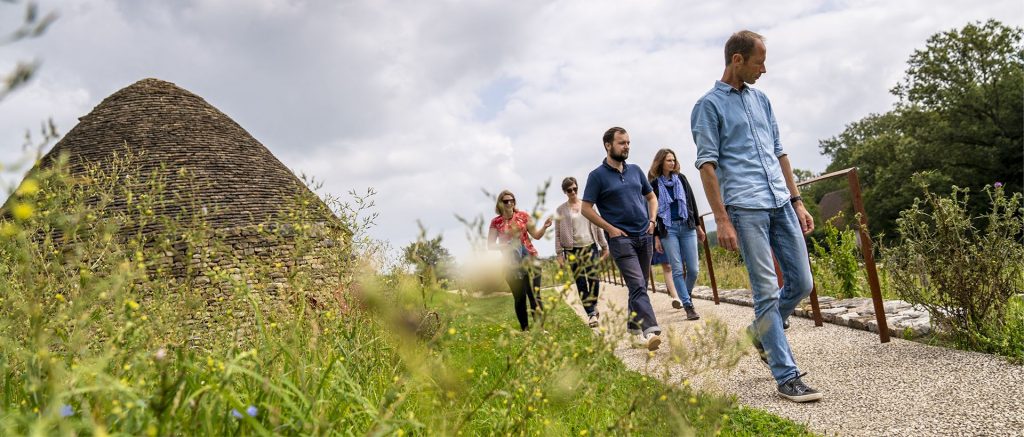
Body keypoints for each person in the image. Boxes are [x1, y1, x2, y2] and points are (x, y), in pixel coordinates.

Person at [691, 30, 821, 402]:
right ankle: (787, 375)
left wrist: (797, 201)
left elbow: (780, 152)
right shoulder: (708, 106)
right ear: (737, 60)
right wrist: (722, 219)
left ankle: (759, 332)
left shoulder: (762, 100)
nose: (764, 69)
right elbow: (707, 166)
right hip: (745, 208)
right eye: (758, 62)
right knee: (765, 291)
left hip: (780, 202)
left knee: (802, 283)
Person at [581, 127, 663, 351]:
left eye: (628, 142)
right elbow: (586, 209)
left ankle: (633, 325)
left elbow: (652, 198)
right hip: (621, 240)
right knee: (637, 284)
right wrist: (610, 229)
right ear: (608, 145)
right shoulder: (596, 176)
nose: (626, 146)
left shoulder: (636, 171)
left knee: (640, 285)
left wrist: (652, 222)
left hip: (644, 235)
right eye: (621, 143)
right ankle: (651, 331)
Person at [648, 148, 705, 320]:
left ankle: (684, 295)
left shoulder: (681, 179)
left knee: (694, 269)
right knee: (677, 269)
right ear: (661, 162)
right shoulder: (654, 185)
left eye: (673, 160)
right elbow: (653, 213)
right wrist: (656, 236)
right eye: (668, 160)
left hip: (687, 227)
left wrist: (698, 226)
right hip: (668, 229)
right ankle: (688, 306)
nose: (672, 163)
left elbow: (692, 203)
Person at [487, 190, 553, 331]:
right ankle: (525, 329)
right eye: (506, 201)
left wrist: (544, 227)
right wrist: (506, 245)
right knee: (520, 297)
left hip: (530, 258)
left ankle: (540, 328)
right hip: (510, 263)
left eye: (512, 200)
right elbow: (490, 245)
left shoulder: (523, 216)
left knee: (534, 294)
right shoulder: (496, 222)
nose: (510, 203)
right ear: (500, 203)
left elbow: (536, 235)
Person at [555, 176, 609, 328]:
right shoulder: (560, 210)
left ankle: (592, 304)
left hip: (590, 246)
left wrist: (604, 246)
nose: (573, 192)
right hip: (572, 250)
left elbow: (597, 225)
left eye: (575, 188)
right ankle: (591, 313)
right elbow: (557, 234)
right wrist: (559, 254)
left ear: (578, 188)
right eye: (569, 190)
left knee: (593, 278)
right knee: (580, 282)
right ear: (565, 192)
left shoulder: (587, 205)